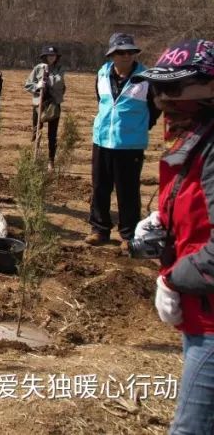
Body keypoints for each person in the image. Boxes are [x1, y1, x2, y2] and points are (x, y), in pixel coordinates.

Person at [124, 40, 214, 432]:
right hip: (200, 309)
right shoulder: (193, 138)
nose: (163, 100)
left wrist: (173, 278)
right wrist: (162, 220)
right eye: (158, 90)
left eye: (174, 90)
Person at [88, 33, 161, 252]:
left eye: (130, 52)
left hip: (129, 145)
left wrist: (138, 127)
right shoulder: (102, 73)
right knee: (100, 186)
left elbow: (154, 108)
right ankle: (99, 229)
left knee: (127, 190)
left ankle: (128, 234)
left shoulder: (146, 78)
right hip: (102, 140)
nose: (126, 56)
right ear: (112, 55)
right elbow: (101, 101)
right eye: (121, 52)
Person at [23, 46, 66, 169]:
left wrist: (46, 78)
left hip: (53, 104)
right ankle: (34, 158)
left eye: (53, 55)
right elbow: (27, 85)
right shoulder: (37, 68)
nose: (51, 58)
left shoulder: (60, 69)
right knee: (36, 132)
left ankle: (51, 161)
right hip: (39, 104)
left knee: (52, 135)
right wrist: (37, 85)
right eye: (49, 55)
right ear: (44, 56)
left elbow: (59, 83)